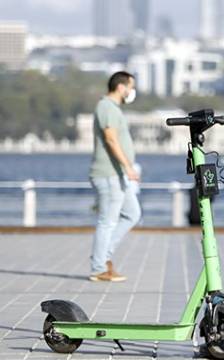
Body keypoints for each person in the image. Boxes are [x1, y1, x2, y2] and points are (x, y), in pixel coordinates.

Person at [88, 71, 141, 282]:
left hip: (117, 175)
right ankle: (99, 268)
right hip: (109, 174)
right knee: (107, 221)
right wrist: (127, 166)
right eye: (131, 86)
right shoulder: (106, 107)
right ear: (121, 87)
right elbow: (111, 140)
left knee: (132, 213)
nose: (132, 91)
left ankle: (103, 257)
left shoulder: (113, 109)